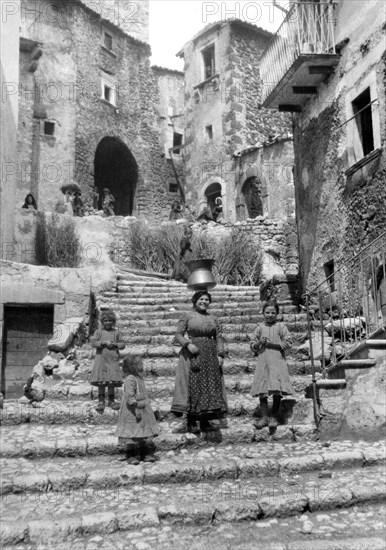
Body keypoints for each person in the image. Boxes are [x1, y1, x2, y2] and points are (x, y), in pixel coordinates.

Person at [171, 290, 228, 433]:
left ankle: (205, 421)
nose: (204, 302)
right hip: (193, 354)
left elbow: (219, 338)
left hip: (210, 355)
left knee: (209, 386)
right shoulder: (187, 316)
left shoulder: (214, 318)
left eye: (207, 300)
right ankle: (191, 421)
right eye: (201, 299)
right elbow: (178, 335)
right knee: (193, 385)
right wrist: (187, 344)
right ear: (195, 301)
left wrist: (220, 355)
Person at [250, 301, 296, 429]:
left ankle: (274, 417)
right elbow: (252, 345)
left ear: (277, 314)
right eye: (267, 312)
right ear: (263, 313)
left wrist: (273, 345)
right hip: (263, 361)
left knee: (276, 390)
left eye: (273, 313)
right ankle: (264, 418)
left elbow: (288, 342)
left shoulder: (281, 327)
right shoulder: (259, 328)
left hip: (277, 361)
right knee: (263, 390)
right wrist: (259, 343)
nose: (270, 315)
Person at [116, 354, 159, 464]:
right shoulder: (130, 379)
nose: (142, 365)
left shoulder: (138, 378)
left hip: (142, 409)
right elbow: (129, 396)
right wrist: (136, 409)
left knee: (141, 431)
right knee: (131, 432)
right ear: (133, 366)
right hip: (133, 411)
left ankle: (143, 453)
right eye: (140, 363)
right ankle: (131, 454)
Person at [90, 309, 125, 412]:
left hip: (112, 361)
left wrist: (115, 344)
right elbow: (93, 343)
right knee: (101, 381)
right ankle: (101, 401)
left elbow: (122, 345)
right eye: (105, 321)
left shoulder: (116, 332)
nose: (108, 323)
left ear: (113, 321)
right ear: (102, 322)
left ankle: (111, 400)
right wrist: (104, 343)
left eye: (110, 321)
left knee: (111, 382)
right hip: (101, 360)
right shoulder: (99, 332)